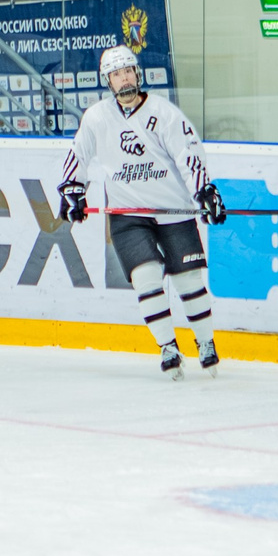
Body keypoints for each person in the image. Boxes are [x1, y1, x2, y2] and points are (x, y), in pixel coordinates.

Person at [57, 43, 226, 379]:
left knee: (188, 278)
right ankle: (168, 347)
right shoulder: (97, 118)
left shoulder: (164, 113)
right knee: (145, 277)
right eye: (116, 74)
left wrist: (204, 190)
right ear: (108, 80)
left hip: (173, 210)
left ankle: (205, 342)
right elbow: (79, 155)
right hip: (127, 213)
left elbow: (189, 155)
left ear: (138, 72)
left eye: (128, 71)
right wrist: (73, 191)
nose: (124, 79)